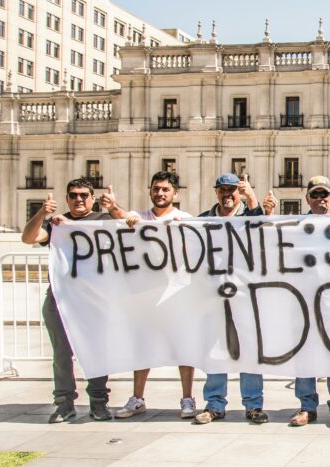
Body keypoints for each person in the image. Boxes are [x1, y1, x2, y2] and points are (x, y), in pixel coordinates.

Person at [100, 172, 199, 420]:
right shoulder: (140, 217)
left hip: (178, 291)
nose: (160, 193)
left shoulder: (185, 219)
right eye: (156, 189)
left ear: (176, 193)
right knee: (141, 345)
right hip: (145, 294)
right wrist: (113, 207)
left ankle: (187, 399)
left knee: (183, 346)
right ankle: (137, 398)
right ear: (151, 191)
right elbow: (122, 217)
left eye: (166, 189)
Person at [21, 178, 113, 423]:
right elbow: (29, 238)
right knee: (61, 354)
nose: (79, 199)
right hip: (60, 299)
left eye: (84, 195)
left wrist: (117, 209)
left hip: (93, 300)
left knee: (96, 351)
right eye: (73, 195)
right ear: (67, 198)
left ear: (93, 198)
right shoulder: (55, 224)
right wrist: (42, 213)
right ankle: (64, 403)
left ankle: (98, 402)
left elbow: (132, 233)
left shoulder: (104, 221)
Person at [193, 172, 276, 425]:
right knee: (215, 351)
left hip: (246, 296)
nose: (228, 195)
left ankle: (253, 405)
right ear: (216, 192)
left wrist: (252, 198)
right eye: (223, 190)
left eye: (232, 190)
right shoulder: (203, 221)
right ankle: (215, 404)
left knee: (250, 350)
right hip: (214, 296)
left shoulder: (248, 216)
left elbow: (263, 231)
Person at [290, 175, 330, 428]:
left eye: (324, 195)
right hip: (303, 301)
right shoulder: (295, 225)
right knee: (304, 354)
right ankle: (307, 406)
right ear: (307, 198)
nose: (320, 199)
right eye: (315, 195)